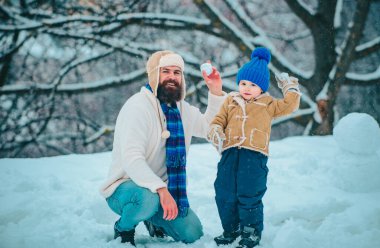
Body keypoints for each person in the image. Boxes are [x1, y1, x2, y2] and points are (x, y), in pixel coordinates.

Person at [99, 50, 226, 246]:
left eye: (177, 72)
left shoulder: (182, 109)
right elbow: (132, 159)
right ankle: (123, 228)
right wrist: (161, 190)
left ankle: (153, 219)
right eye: (165, 71)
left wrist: (216, 91)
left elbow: (210, 128)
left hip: (161, 193)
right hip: (125, 188)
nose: (172, 77)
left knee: (193, 233)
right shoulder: (137, 107)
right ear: (153, 75)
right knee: (146, 200)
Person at [207, 47, 301, 248]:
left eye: (253, 84)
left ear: (262, 88)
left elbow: (291, 105)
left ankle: (251, 232)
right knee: (224, 192)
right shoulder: (230, 101)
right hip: (230, 153)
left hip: (254, 156)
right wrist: (215, 131)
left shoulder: (268, 104)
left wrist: (290, 87)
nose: (246, 88)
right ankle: (231, 229)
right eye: (243, 83)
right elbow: (218, 120)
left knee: (249, 194)